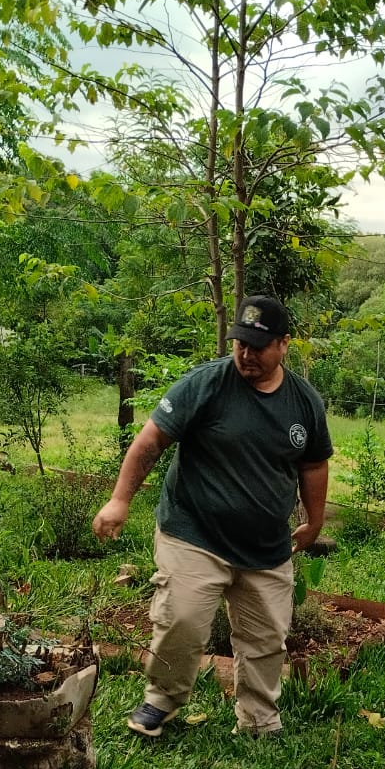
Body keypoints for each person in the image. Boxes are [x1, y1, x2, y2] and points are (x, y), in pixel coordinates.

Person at [92, 295, 333, 740]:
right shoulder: (205, 384)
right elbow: (150, 441)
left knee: (267, 638)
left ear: (283, 344)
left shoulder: (304, 402)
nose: (246, 354)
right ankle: (161, 700)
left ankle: (260, 719)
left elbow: (314, 464)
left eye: (258, 346)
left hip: (264, 544)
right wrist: (119, 500)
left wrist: (314, 521)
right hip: (194, 531)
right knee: (181, 618)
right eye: (240, 343)